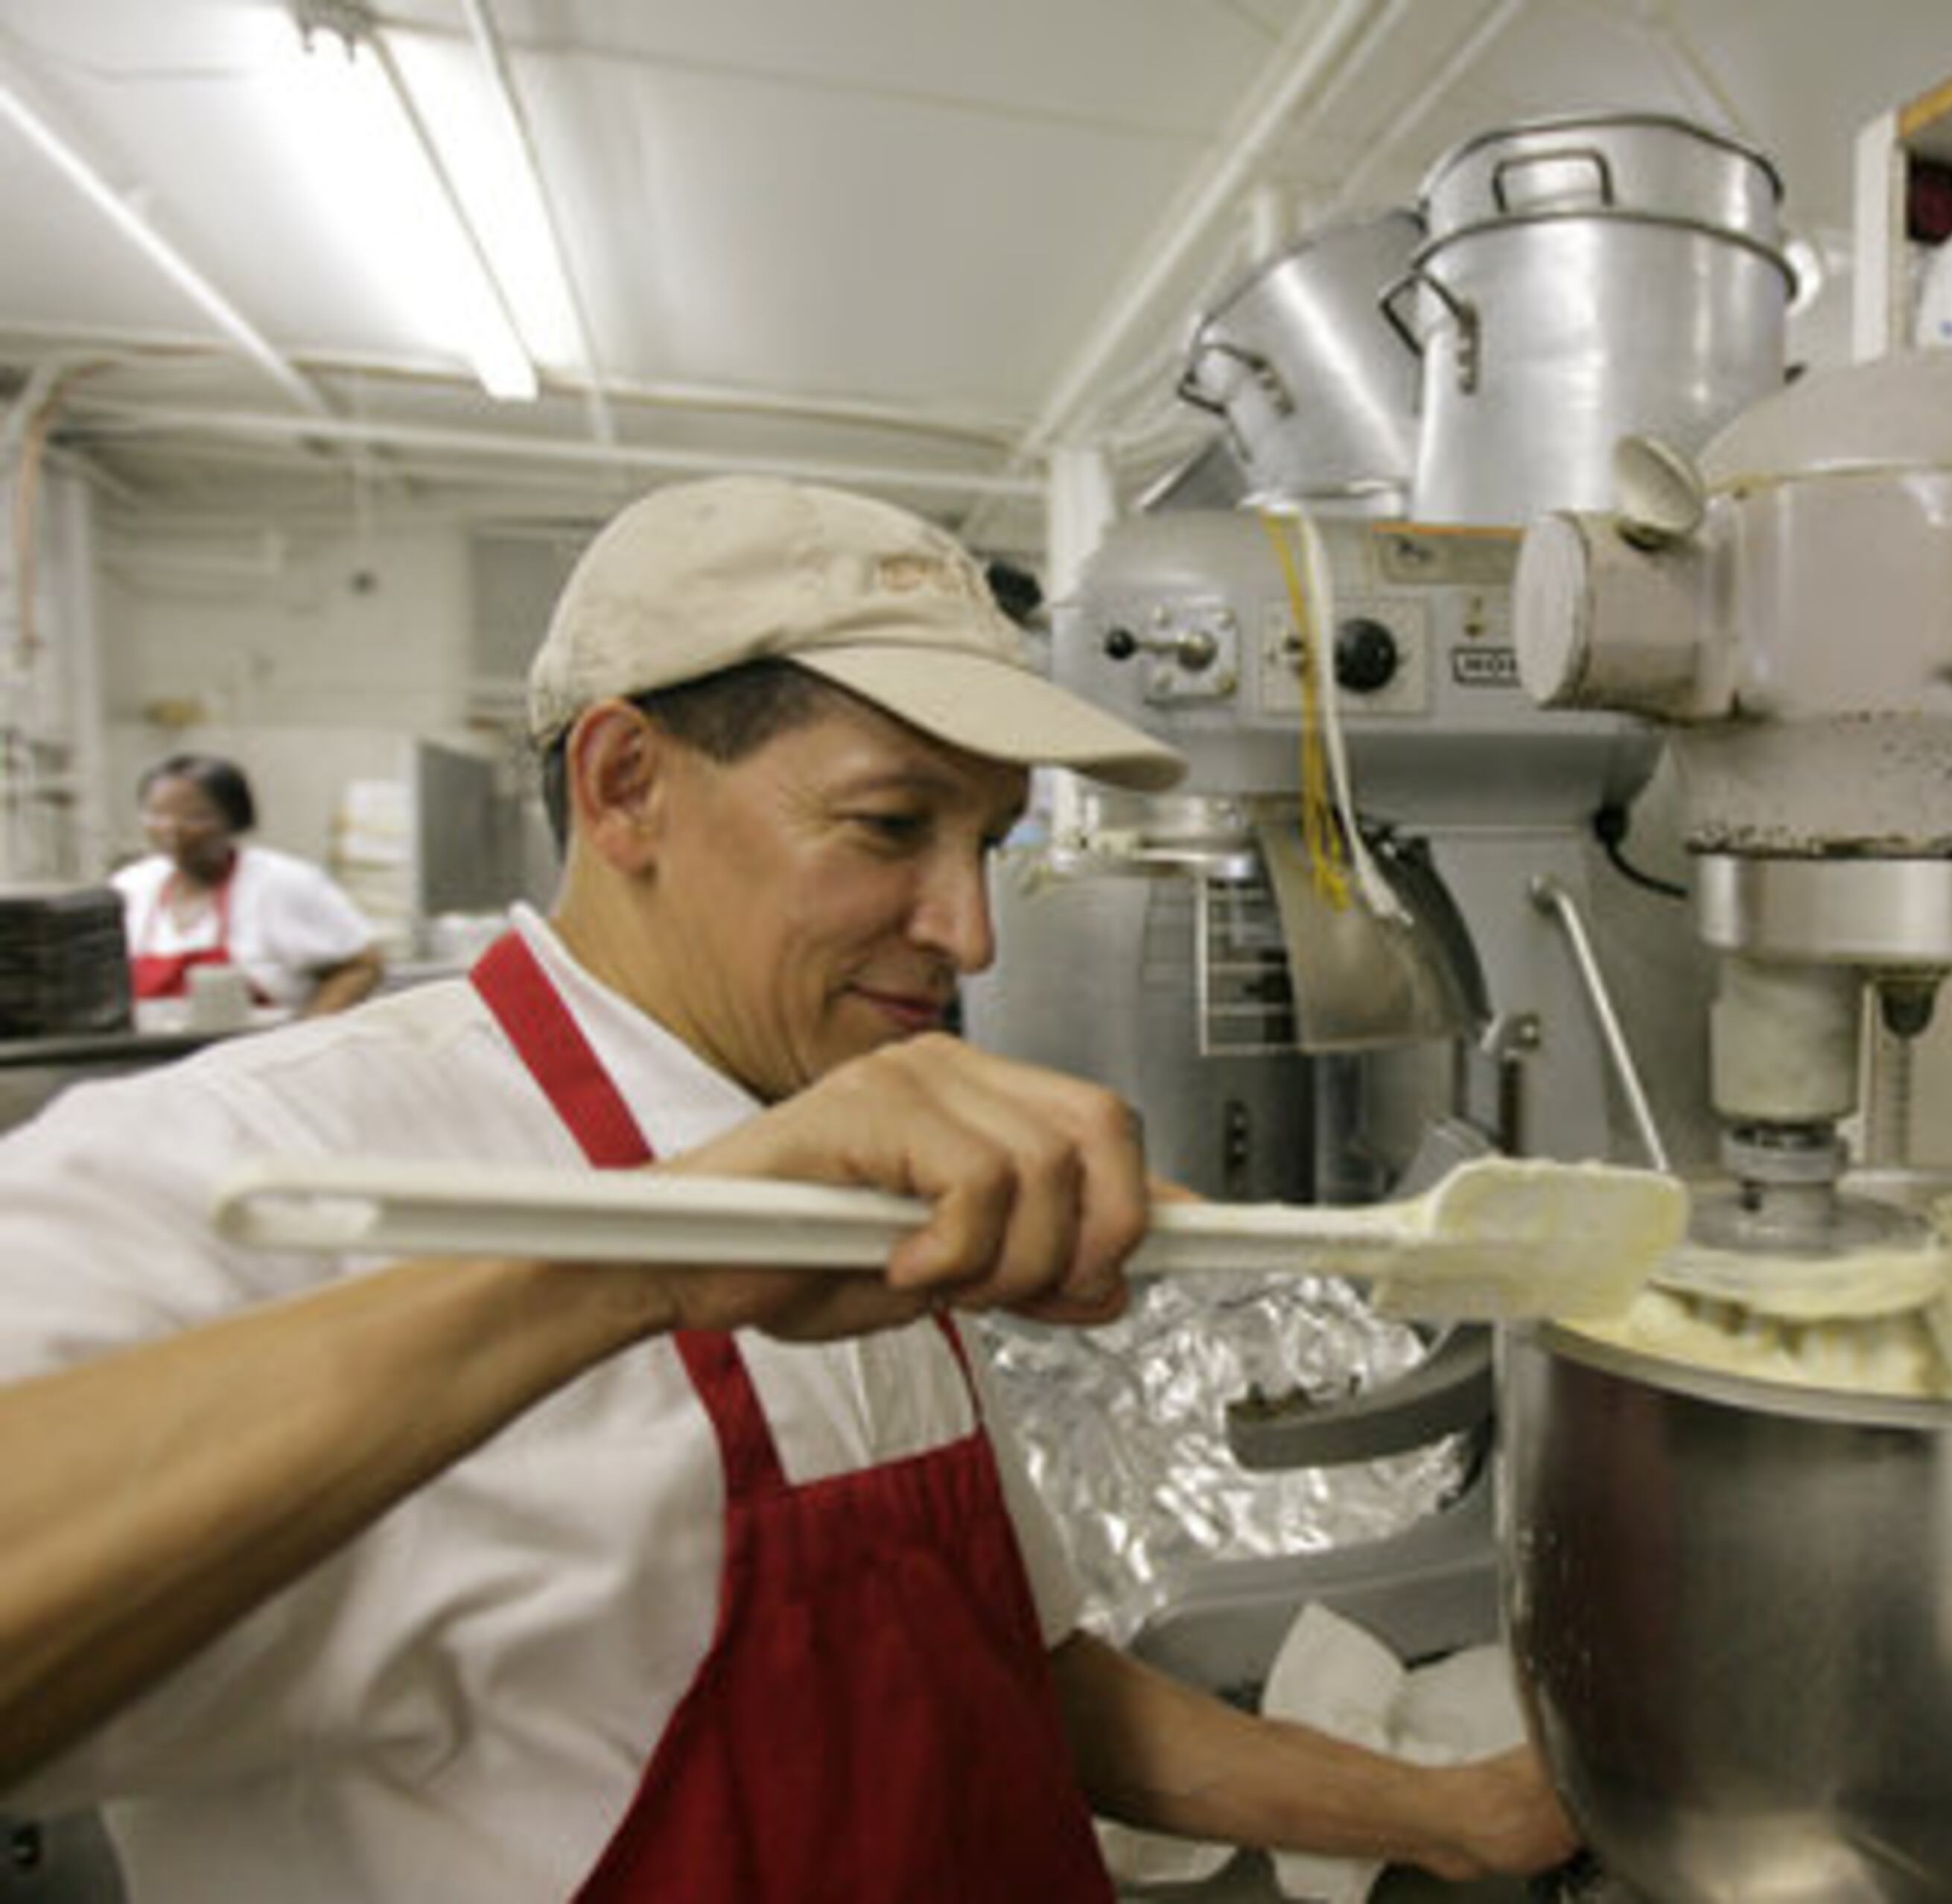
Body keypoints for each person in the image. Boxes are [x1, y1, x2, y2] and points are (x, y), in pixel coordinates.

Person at [0, 476, 1578, 1900]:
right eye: (891, 825)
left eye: (990, 842)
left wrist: (1445, 1815)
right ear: (626, 783)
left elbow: (1010, 1679)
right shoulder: (247, 1154)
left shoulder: (844, 1135)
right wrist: (644, 1263)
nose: (970, 932)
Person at [112, 752, 387, 1016]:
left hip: (263, 1044)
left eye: (194, 816)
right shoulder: (131, 887)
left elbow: (363, 965)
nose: (172, 828)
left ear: (235, 820)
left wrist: (310, 1028)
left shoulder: (281, 882)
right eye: (157, 814)